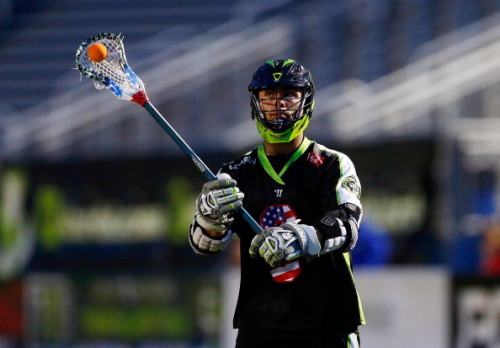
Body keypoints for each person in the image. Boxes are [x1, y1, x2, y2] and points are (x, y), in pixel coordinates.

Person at [189, 59, 365, 348]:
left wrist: (302, 236)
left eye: (288, 95)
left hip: (327, 325)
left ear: (306, 101)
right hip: (259, 327)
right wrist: (209, 219)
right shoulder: (234, 173)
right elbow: (204, 245)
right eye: (268, 95)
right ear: (256, 102)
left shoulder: (332, 164)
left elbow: (347, 225)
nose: (278, 103)